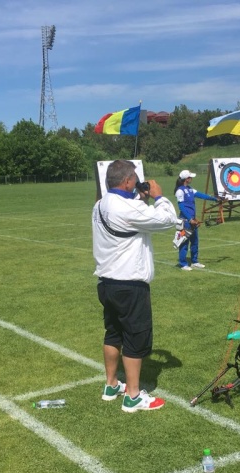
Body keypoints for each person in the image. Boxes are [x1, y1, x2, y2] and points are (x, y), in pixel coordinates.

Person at [92, 160, 180, 413]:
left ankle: (111, 385)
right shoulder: (127, 208)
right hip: (129, 285)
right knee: (135, 338)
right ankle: (132, 395)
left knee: (113, 333)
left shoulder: (100, 205)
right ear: (128, 181)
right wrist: (159, 197)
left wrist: (140, 199)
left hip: (107, 283)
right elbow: (167, 220)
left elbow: (132, 220)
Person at [174, 170, 219, 271]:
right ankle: (183, 264)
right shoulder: (180, 191)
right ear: (186, 179)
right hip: (185, 221)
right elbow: (181, 207)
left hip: (193, 220)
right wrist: (190, 219)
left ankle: (194, 261)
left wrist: (214, 199)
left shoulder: (190, 189)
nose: (192, 178)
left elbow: (201, 195)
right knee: (184, 243)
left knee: (195, 242)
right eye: (190, 177)